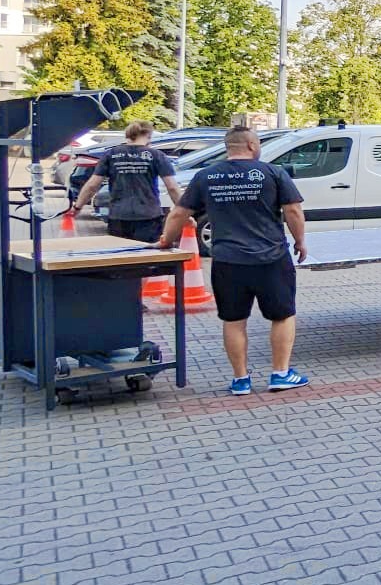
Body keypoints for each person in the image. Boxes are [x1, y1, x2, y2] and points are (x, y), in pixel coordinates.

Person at [160, 127, 310, 395]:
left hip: (227, 261)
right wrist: (300, 241)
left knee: (233, 320)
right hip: (271, 258)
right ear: (252, 145)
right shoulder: (273, 173)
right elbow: (293, 210)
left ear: (229, 147)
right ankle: (280, 374)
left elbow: (179, 213)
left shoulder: (205, 176)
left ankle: (240, 380)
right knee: (283, 315)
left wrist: (165, 240)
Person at [72, 121, 181, 243]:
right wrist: (183, 212)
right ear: (149, 136)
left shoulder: (111, 154)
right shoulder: (156, 155)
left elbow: (92, 185)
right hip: (148, 216)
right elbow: (172, 187)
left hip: (118, 216)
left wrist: (77, 207)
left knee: (120, 256)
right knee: (146, 256)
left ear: (128, 135)